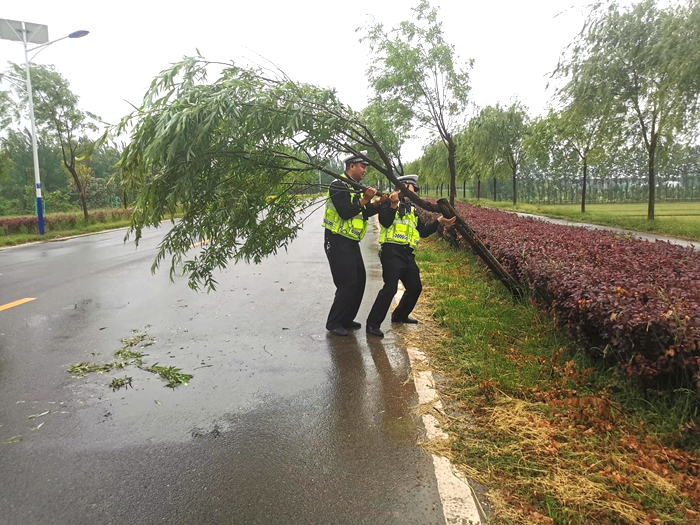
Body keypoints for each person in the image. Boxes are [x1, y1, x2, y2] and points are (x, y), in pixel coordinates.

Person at [366, 174, 456, 337]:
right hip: (391, 252)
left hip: (407, 253)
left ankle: (399, 316)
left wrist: (440, 221)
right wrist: (393, 203)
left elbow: (422, 232)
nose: (415, 194)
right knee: (390, 288)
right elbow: (385, 222)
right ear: (404, 187)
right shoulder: (386, 202)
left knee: (415, 287)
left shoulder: (412, 209)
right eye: (413, 189)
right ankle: (372, 324)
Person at [323, 153, 386, 337]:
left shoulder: (355, 188)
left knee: (359, 280)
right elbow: (345, 212)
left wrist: (376, 203)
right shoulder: (338, 186)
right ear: (352, 166)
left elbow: (362, 212)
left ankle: (346, 318)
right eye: (362, 167)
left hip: (350, 241)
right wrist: (365, 199)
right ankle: (334, 322)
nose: (365, 171)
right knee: (347, 281)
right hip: (336, 240)